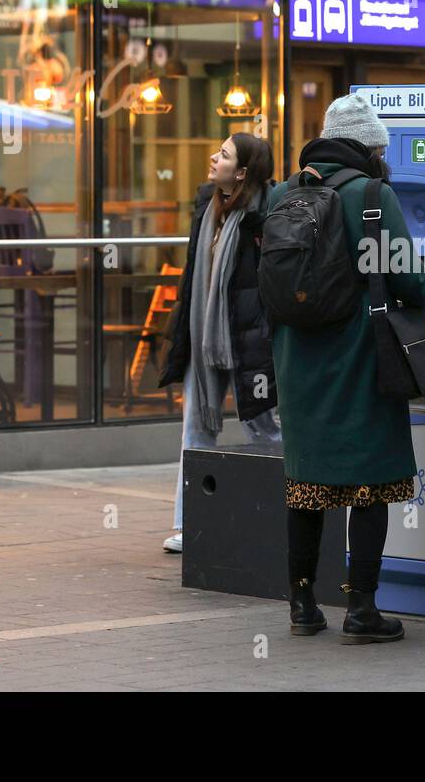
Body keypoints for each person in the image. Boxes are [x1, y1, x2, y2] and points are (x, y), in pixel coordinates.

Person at [268, 94, 425, 644]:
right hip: (360, 354)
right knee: (370, 483)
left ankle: (300, 606)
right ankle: (361, 610)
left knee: (306, 482)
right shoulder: (371, 195)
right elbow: (410, 281)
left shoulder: (282, 194)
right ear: (370, 147)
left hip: (297, 358)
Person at [157, 133, 279, 554]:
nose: (213, 157)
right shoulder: (207, 206)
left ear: (242, 172)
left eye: (224, 155)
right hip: (204, 334)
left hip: (250, 340)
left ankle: (289, 513)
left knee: (264, 428)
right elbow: (195, 273)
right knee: (196, 428)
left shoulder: (268, 213)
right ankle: (188, 524)